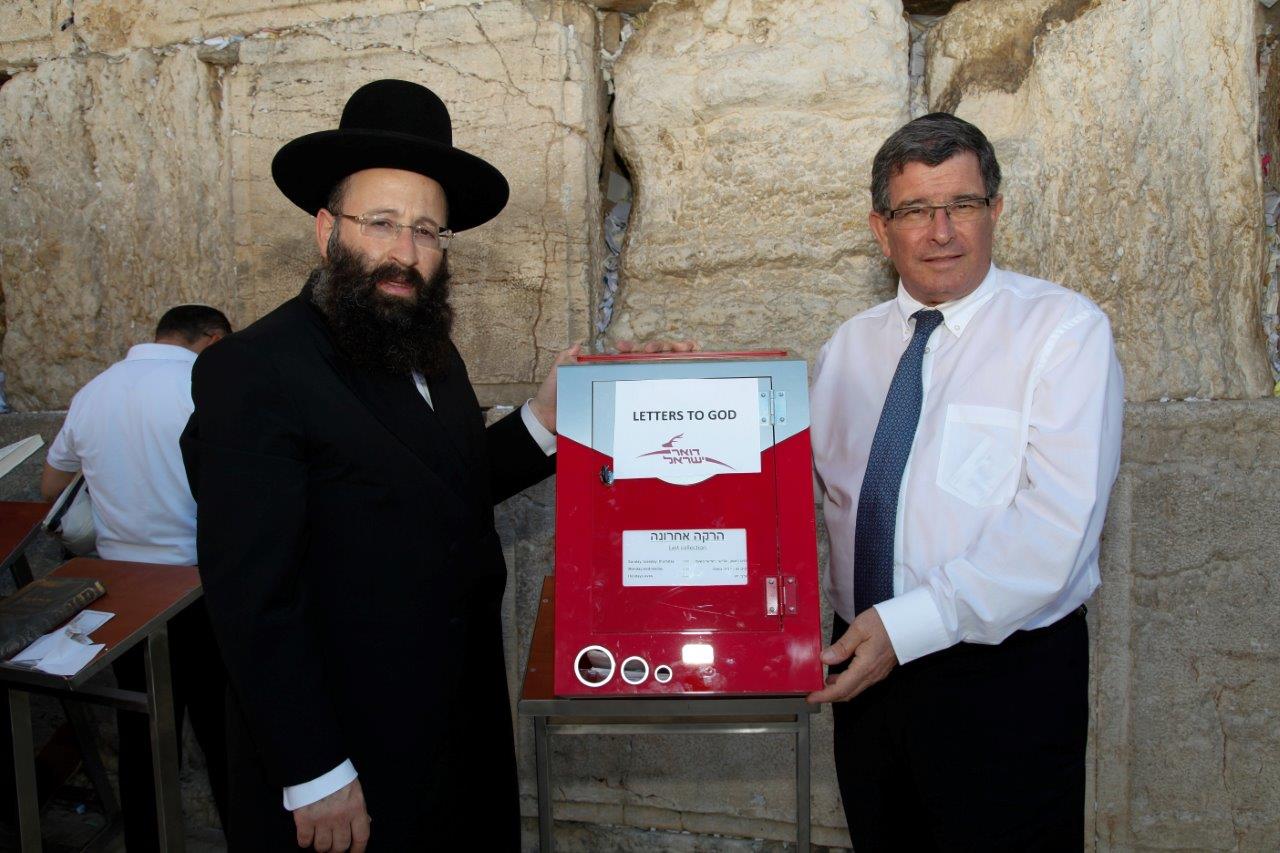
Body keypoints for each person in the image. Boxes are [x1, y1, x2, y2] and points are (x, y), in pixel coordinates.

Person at [180, 79, 693, 852]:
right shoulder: (255, 371)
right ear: (326, 231)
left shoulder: (430, 349)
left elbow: (441, 486)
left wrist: (547, 421)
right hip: (349, 753)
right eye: (380, 222)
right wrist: (315, 769)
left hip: (458, 724)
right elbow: (254, 598)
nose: (404, 252)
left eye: (427, 231)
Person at [808, 113, 1124, 850]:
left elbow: (1055, 533)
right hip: (866, 678)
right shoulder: (848, 348)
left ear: (997, 212)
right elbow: (799, 499)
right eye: (916, 210)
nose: (941, 230)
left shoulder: (1063, 332)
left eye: (963, 206)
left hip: (1001, 679)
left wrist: (907, 625)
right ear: (881, 230)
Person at [41, 303, 233, 852]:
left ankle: (146, 842)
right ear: (213, 340)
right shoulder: (204, 386)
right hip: (199, 584)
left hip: (124, 590)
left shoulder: (94, 391)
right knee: (224, 727)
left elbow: (54, 486)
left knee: (141, 730)